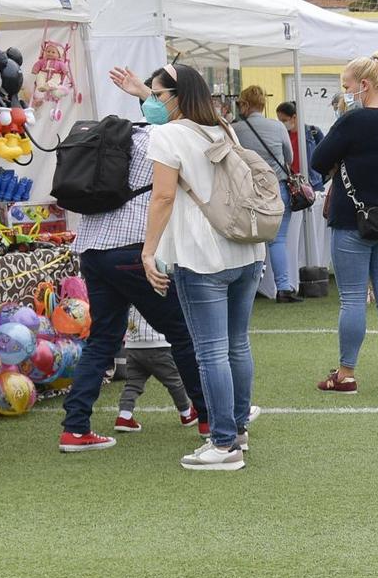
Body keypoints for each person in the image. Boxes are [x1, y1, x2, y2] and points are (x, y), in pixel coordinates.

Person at [56, 70, 206, 454]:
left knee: (103, 338)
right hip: (135, 247)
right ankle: (209, 415)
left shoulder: (122, 140)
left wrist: (141, 95)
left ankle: (75, 427)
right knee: (183, 331)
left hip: (92, 247)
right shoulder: (163, 138)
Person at [138, 63, 267, 471]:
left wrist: (148, 251)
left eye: (158, 95)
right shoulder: (222, 127)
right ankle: (236, 430)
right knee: (236, 345)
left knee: (211, 351)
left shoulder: (167, 134)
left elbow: (162, 198)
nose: (153, 103)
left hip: (200, 254)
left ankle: (224, 442)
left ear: (176, 96)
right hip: (245, 249)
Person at [309, 55, 378, 393]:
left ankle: (346, 373)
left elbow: (318, 160)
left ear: (364, 85)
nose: (346, 92)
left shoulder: (353, 121)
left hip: (351, 218)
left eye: (347, 86)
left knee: (352, 298)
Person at [233, 85, 299, 305]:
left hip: (247, 189)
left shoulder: (236, 130)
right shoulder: (278, 127)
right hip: (276, 187)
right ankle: (283, 288)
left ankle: (248, 291)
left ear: (244, 104)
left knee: (248, 240)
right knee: (277, 240)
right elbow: (288, 158)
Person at [111, 306, 194, 432]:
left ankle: (124, 416)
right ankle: (187, 413)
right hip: (157, 343)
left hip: (133, 344)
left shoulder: (129, 287)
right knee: (174, 382)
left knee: (133, 384)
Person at [277, 101, 324, 189]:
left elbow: (325, 155)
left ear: (294, 117)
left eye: (284, 120)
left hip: (313, 183)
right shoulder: (283, 135)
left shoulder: (313, 132)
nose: (281, 124)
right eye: (279, 121)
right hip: (292, 184)